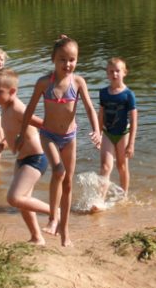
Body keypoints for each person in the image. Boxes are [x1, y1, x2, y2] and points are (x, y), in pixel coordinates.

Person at [15, 35, 101, 247]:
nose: (68, 64)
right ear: (53, 59)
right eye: (62, 59)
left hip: (69, 137)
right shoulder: (44, 83)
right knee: (59, 172)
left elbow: (90, 108)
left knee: (69, 184)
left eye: (72, 59)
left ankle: (65, 233)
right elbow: (30, 110)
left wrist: (97, 130)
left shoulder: (78, 82)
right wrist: (21, 133)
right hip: (49, 136)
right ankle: (53, 218)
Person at [0, 69, 51, 245]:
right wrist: (0, 146)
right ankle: (37, 237)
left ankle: (55, 212)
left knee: (14, 198)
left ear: (12, 91)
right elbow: (12, 133)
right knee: (23, 202)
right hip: (22, 159)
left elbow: (44, 125)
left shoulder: (19, 109)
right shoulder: (5, 107)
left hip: (36, 158)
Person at [97, 57, 138, 195]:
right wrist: (98, 133)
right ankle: (99, 200)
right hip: (107, 133)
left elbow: (133, 120)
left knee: (122, 166)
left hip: (123, 134)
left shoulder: (128, 95)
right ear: (107, 74)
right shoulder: (103, 93)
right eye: (111, 71)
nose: (114, 74)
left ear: (124, 72)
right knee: (105, 166)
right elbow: (101, 113)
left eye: (117, 71)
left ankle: (124, 195)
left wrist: (131, 143)